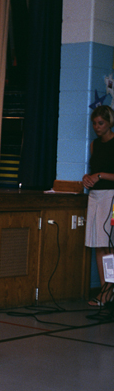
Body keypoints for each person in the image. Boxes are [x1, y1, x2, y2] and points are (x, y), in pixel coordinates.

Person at [82, 105, 114, 307]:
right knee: (97, 244)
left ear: (109, 122)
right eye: (94, 123)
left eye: (100, 123)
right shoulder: (95, 145)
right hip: (95, 195)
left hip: (110, 196)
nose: (96, 127)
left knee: (108, 245)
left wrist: (100, 175)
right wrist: (88, 177)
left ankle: (109, 289)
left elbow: (103, 173)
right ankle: (105, 288)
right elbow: (93, 170)